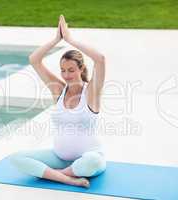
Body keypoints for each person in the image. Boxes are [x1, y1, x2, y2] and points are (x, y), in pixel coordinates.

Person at [8, 14, 106, 188]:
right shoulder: (59, 90)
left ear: (81, 68)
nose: (66, 75)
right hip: (59, 158)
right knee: (16, 158)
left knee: (91, 162)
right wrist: (56, 39)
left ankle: (54, 175)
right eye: (63, 71)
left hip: (89, 158)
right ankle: (67, 178)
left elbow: (100, 59)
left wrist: (70, 39)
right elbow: (34, 60)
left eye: (71, 70)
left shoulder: (90, 92)